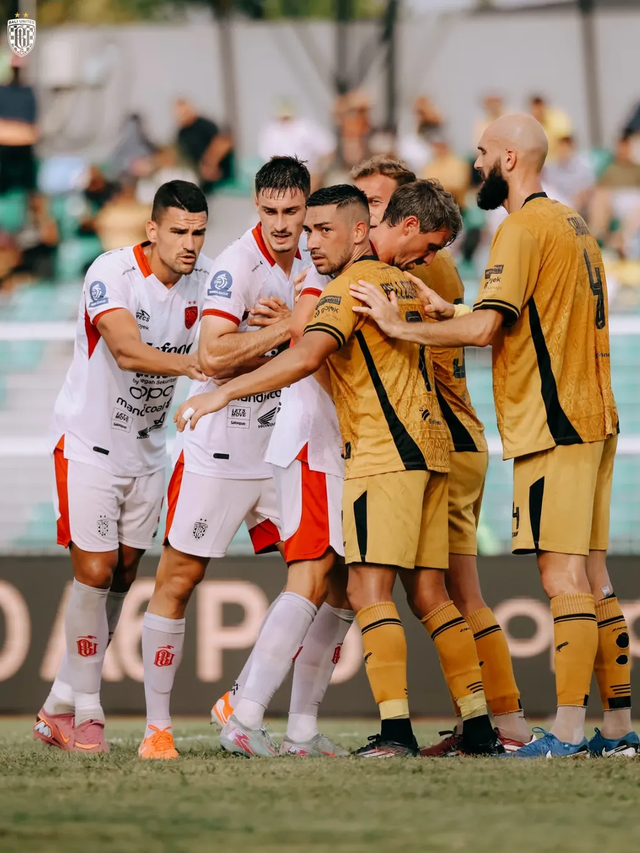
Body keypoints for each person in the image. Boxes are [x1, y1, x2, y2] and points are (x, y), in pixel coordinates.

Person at [176, 182, 503, 758]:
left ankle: (280, 716)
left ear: (364, 228)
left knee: (357, 589)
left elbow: (307, 357)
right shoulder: (402, 281)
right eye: (307, 230)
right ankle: (475, 727)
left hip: (363, 452)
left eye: (321, 229)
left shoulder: (349, 286)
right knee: (413, 593)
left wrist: (221, 395)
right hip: (425, 452)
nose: (309, 241)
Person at [350, 113, 637, 759]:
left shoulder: (519, 227)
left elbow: (486, 332)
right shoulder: (575, 224)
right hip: (595, 417)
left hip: (551, 420)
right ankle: (617, 729)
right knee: (594, 577)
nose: (474, 164)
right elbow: (518, 316)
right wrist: (450, 309)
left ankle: (563, 732)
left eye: (481, 153)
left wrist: (403, 327)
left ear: (509, 157)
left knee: (562, 577)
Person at [138, 156, 320, 760]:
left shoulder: (319, 256)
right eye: (269, 211)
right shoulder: (238, 267)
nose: (280, 224)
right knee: (181, 578)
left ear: (306, 205)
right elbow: (213, 356)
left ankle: (243, 699)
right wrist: (288, 328)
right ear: (255, 206)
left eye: (291, 211)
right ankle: (156, 727)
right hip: (219, 445)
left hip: (281, 448)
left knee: (322, 575)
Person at [352, 154, 531, 754]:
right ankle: (489, 722)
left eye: (375, 204)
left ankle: (500, 722)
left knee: (449, 593)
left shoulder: (417, 265)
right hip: (451, 435)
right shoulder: (424, 262)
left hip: (440, 437)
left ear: (406, 212)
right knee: (440, 593)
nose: (366, 216)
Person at [34, 181, 211, 754]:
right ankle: (88, 711)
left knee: (125, 574)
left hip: (147, 451)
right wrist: (200, 365)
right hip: (88, 443)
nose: (189, 243)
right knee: (94, 571)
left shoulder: (207, 280)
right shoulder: (110, 273)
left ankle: (57, 703)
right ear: (152, 229)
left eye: (199, 232)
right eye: (179, 231)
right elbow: (127, 351)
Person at [258, 100, 335, 193]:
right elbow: (267, 157)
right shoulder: (271, 131)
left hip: (307, 177)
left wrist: (319, 173)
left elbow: (329, 148)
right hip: (280, 180)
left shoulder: (306, 127)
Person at [174, 98, 233, 193]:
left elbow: (224, 142)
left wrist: (210, 164)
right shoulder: (181, 134)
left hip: (224, 178)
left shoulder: (204, 124)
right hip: (203, 181)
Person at [528, 95, 572, 164]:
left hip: (558, 162)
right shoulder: (530, 125)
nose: (536, 112)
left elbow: (565, 141)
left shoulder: (557, 118)